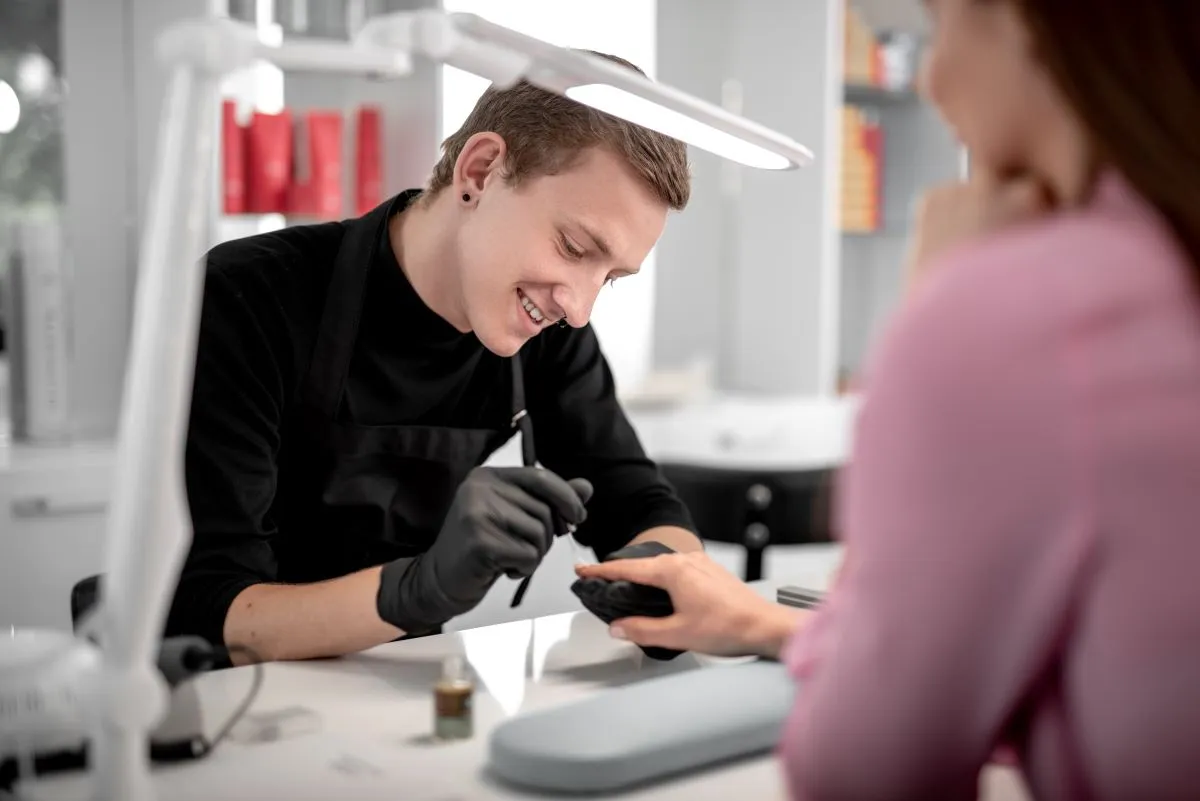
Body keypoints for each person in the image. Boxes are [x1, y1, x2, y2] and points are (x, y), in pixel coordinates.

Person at [577, 1, 1200, 799]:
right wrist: (758, 622)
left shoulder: (1024, 318)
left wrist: (937, 298)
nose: (934, 80)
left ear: (1031, 25)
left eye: (942, 25)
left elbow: (863, 768)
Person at [164, 51, 703, 664]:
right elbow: (211, 606)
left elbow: (637, 501)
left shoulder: (549, 330)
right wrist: (415, 591)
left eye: (609, 278)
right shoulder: (248, 298)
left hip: (402, 687)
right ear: (479, 171)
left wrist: (663, 580)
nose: (578, 308)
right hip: (234, 695)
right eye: (574, 246)